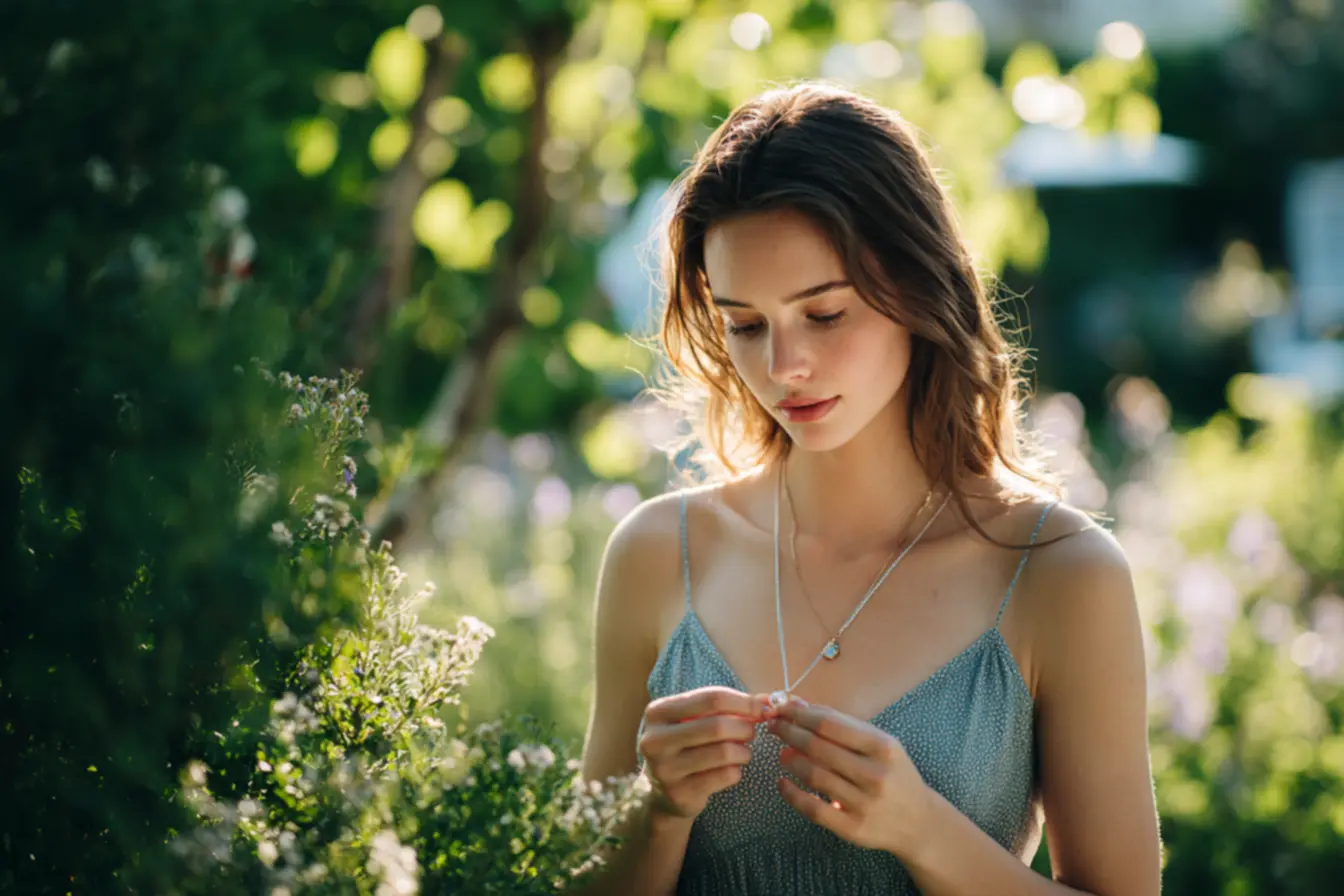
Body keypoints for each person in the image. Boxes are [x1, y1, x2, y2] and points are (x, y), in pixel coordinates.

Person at [576, 82, 1160, 896]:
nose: (783, 368)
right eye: (746, 325)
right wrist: (659, 811)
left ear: (917, 289)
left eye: (824, 314)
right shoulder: (657, 555)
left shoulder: (1062, 574)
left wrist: (925, 832)